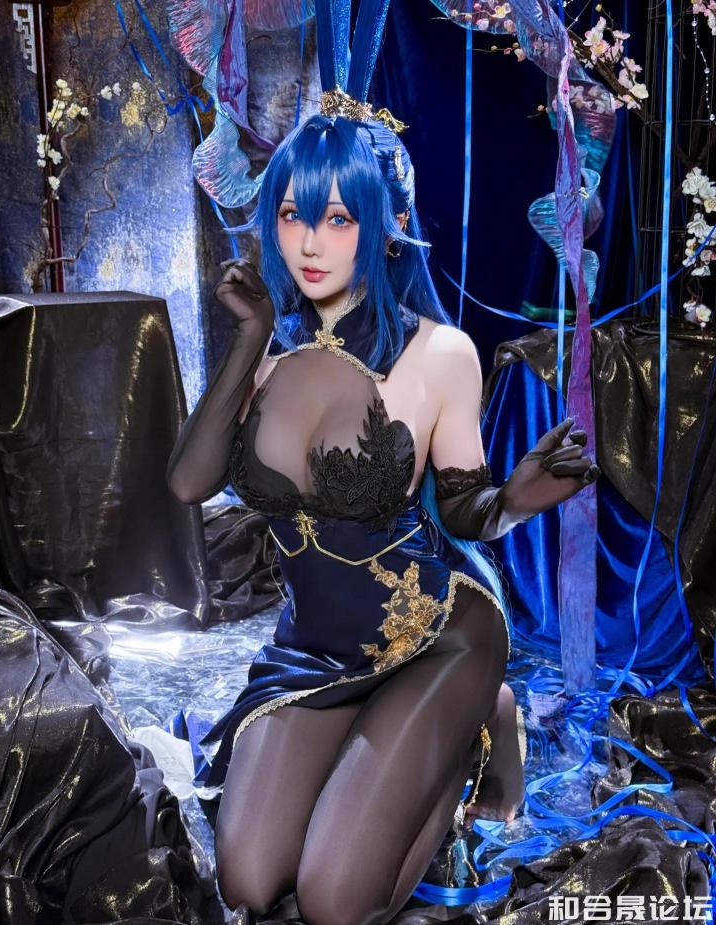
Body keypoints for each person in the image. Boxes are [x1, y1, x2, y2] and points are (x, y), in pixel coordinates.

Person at [165, 2, 599, 921]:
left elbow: (466, 510)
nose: (309, 242)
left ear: (386, 222)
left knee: (332, 900)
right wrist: (245, 342)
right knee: (248, 882)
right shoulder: (270, 357)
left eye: (337, 217)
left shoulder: (441, 354)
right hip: (312, 652)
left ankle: (479, 723)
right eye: (293, 215)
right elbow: (188, 483)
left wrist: (522, 493)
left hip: (433, 636)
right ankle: (380, 744)